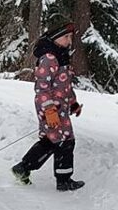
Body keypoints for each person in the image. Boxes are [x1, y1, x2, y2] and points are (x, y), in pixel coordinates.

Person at [12, 20, 85, 191]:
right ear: (55, 38)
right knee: (61, 141)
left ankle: (24, 168)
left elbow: (65, 86)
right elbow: (42, 88)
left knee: (57, 140)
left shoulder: (61, 56)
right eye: (66, 37)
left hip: (61, 109)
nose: (69, 41)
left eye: (70, 37)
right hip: (50, 109)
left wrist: (73, 104)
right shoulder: (49, 58)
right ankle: (61, 180)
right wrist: (49, 110)